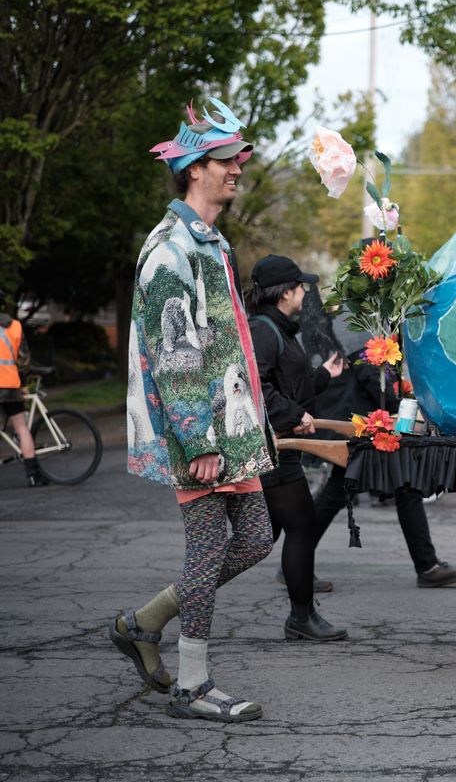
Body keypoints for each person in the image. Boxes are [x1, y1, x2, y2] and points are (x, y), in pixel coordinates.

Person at [112, 97, 274, 722]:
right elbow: (176, 354)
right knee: (206, 555)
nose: (236, 169)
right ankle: (193, 685)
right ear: (195, 169)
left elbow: (222, 340)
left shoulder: (211, 244)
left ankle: (142, 623)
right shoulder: (169, 252)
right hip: (199, 436)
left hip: (230, 429)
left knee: (256, 538)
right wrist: (196, 437)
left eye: (237, 159)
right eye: (227, 160)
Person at [305, 318, 456, 589]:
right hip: (362, 423)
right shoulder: (361, 321)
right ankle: (296, 562)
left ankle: (427, 565)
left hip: (373, 420)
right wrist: (401, 406)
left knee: (405, 487)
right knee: (340, 491)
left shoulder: (372, 318)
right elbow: (371, 374)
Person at [246, 254, 350, 640]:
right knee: (302, 526)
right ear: (285, 291)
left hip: (282, 445)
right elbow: (256, 388)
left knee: (258, 540)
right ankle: (301, 618)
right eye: (301, 286)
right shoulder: (263, 330)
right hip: (273, 447)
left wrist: (323, 376)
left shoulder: (280, 329)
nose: (306, 292)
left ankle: (190, 592)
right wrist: (293, 414)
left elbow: (289, 383)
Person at [0, 296, 48, 486]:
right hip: (11, 386)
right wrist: (21, 379)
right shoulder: (15, 327)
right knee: (21, 427)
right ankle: (33, 475)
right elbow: (24, 361)